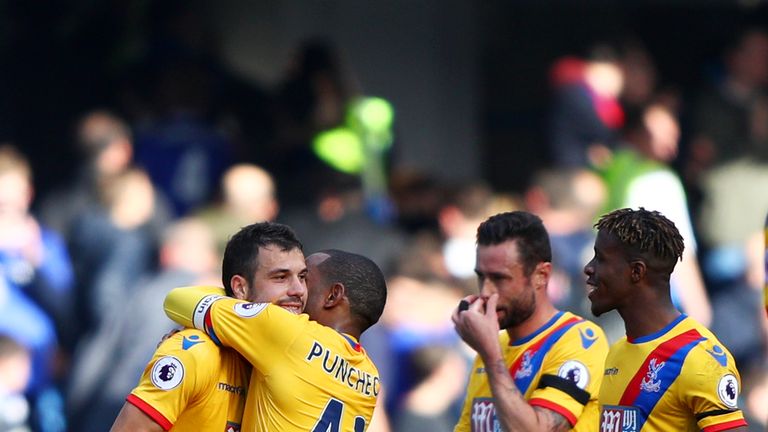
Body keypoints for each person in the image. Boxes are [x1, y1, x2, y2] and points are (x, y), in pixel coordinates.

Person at [110, 222, 309, 431]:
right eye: (280, 277)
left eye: (302, 277)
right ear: (240, 288)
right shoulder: (195, 354)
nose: (298, 290)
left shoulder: (298, 360)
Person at [162, 248, 387, 431]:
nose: (296, 289)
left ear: (332, 296)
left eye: (304, 278)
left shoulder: (290, 332)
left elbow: (177, 299)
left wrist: (243, 298)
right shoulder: (370, 377)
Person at [584, 208, 748, 431]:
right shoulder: (616, 352)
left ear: (636, 272)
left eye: (600, 258)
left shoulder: (698, 359)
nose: (589, 268)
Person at [452, 211, 609, 432]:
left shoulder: (578, 341)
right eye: (481, 277)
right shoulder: (491, 348)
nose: (486, 291)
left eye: (499, 278)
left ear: (541, 275)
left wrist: (491, 356)